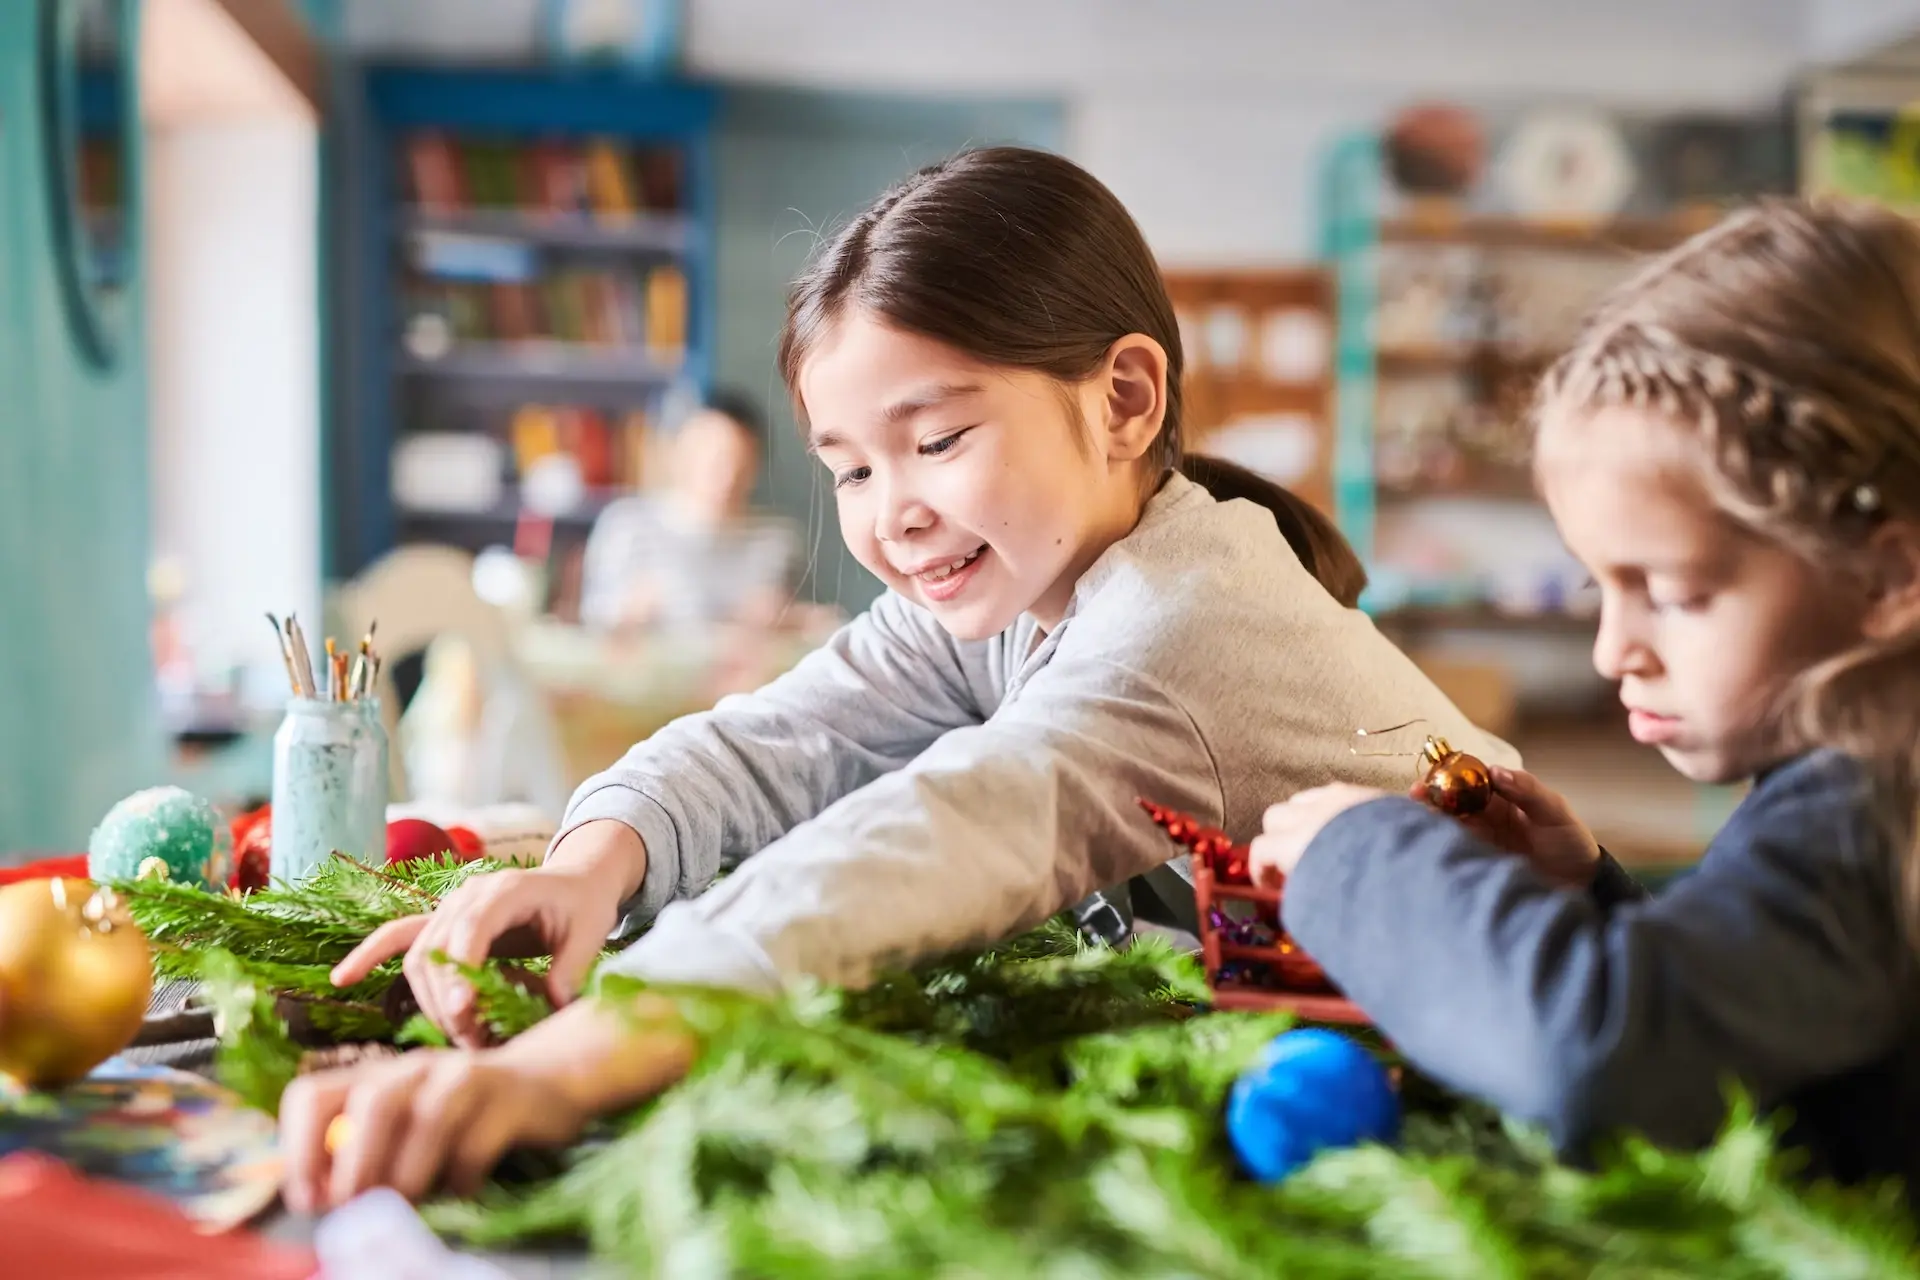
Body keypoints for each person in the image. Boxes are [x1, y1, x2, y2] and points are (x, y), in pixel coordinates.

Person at [278, 146, 1515, 1211]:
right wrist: (588, 862)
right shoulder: (1014, 580)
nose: (892, 513)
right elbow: (778, 736)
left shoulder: (1176, 621)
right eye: (853, 469)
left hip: (1514, 1044)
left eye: (937, 440)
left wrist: (551, 1072)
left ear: (1124, 399)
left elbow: (926, 838)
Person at [1249, 199, 1920, 1197]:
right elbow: (1741, 1038)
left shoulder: (1871, 811)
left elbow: (1605, 1057)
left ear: (1886, 580)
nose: (1615, 650)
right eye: (1600, 586)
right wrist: (1593, 901)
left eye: (1673, 592)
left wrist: (1364, 857)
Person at [577, 391, 802, 635]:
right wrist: (629, 611)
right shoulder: (626, 526)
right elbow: (593, 619)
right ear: (677, 452)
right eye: (710, 455)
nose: (726, 474)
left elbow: (803, 625)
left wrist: (785, 618)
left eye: (738, 458)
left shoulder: (777, 542)